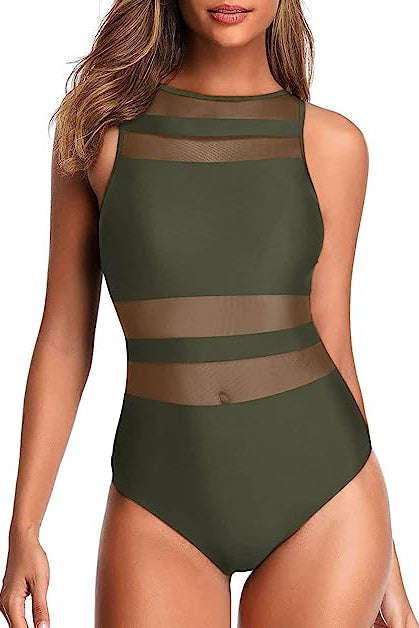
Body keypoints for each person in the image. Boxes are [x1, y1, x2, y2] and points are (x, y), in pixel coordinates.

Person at [0, 0, 418, 626]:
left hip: (326, 497)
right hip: (158, 500)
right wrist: (25, 526)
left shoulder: (332, 145)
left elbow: (334, 342)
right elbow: (64, 338)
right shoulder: (98, 140)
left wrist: (387, 564)